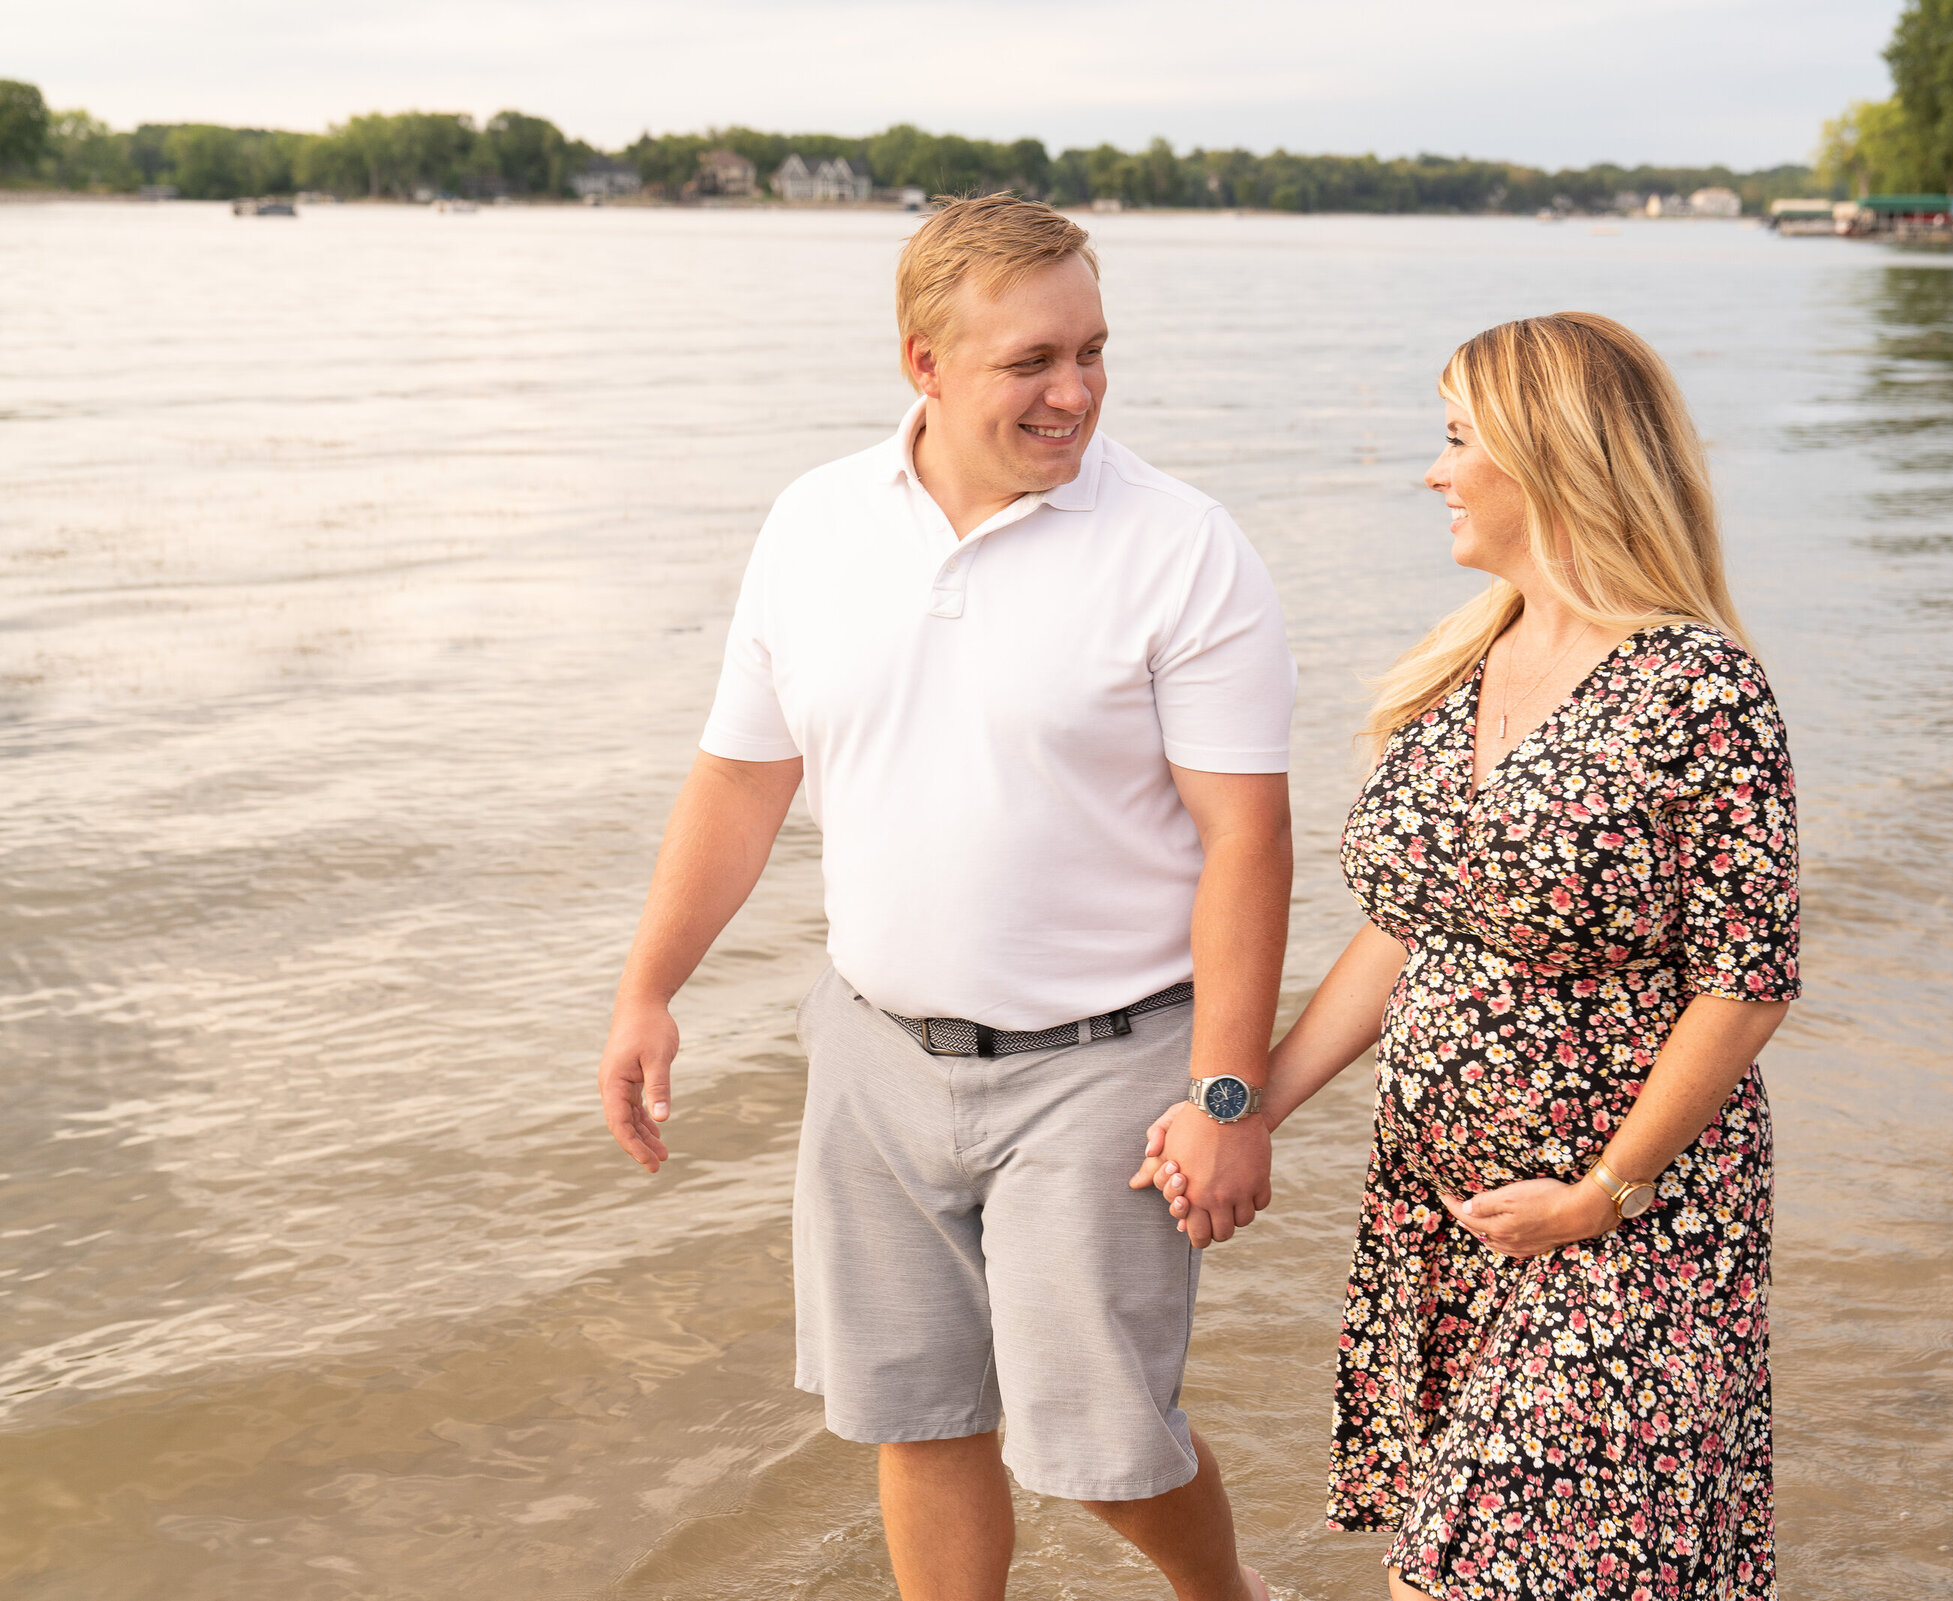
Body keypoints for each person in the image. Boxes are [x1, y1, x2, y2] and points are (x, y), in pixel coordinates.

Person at [597, 194, 1293, 1601]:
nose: (1076, 391)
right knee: (914, 1414)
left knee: (1103, 1448)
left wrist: (1229, 1096)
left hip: (1108, 1065)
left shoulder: (1179, 544)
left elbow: (1249, 839)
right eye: (1034, 360)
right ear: (923, 363)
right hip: (874, 1055)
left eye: (1094, 352)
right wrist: (646, 988)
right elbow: (741, 779)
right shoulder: (813, 523)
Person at [1144, 312, 1798, 1598]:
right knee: (1485, 1559)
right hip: (1450, 1214)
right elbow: (1404, 928)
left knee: (1473, 1572)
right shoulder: (1464, 667)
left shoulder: (1699, 688)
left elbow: (1746, 981)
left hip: (1630, 1219)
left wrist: (1603, 1189)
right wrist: (1244, 1101)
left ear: (1549, 455)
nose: (1433, 471)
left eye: (1456, 439)